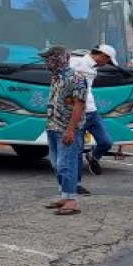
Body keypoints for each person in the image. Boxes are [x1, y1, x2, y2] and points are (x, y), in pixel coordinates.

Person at [41, 45, 88, 215]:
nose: (47, 62)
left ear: (60, 59)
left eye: (50, 58)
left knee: (66, 164)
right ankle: (64, 195)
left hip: (66, 129)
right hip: (53, 126)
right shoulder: (56, 78)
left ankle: (72, 201)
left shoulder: (75, 78)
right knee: (56, 163)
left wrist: (70, 130)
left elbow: (79, 105)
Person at [71, 44, 117, 180]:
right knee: (77, 150)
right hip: (79, 112)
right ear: (103, 56)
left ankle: (93, 156)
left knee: (106, 142)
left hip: (92, 111)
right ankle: (76, 184)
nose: (106, 63)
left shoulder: (93, 67)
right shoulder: (77, 64)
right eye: (107, 60)